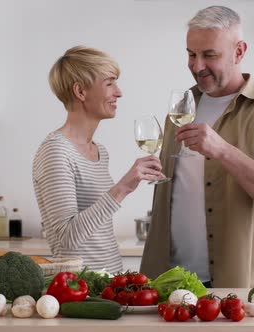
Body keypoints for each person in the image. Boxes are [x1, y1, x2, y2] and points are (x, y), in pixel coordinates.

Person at [140, 6, 254, 287]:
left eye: (209, 55)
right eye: (191, 54)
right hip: (167, 280)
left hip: (233, 283)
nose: (197, 66)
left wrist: (223, 151)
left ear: (239, 52)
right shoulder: (181, 107)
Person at [33, 46, 165, 274]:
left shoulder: (99, 152)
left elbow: (97, 231)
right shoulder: (56, 152)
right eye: (109, 83)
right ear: (80, 92)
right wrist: (122, 188)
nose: (119, 92)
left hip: (109, 285)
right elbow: (65, 241)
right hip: (80, 292)